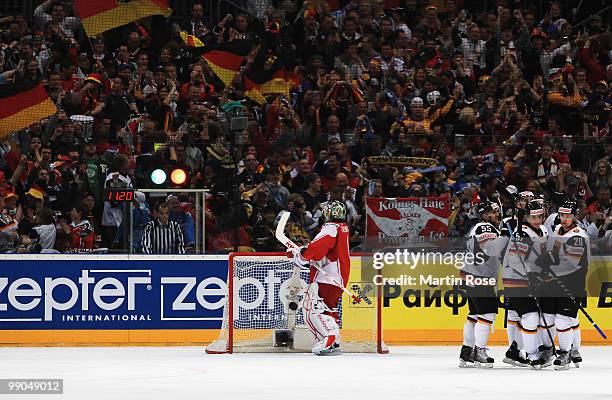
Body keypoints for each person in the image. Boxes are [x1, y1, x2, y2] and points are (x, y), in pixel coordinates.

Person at [290, 200, 350, 356]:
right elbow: (328, 253)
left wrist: (302, 257)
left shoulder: (331, 228)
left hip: (327, 278)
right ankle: (334, 341)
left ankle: (329, 339)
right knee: (327, 309)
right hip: (337, 277)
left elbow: (318, 249)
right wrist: (306, 252)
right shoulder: (343, 228)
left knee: (313, 309)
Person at [498, 200, 551, 368]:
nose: (537, 220)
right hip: (515, 279)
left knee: (526, 316)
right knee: (531, 316)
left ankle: (514, 351)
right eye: (533, 217)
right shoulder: (522, 233)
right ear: (527, 217)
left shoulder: (542, 230)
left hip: (530, 277)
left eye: (539, 217)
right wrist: (532, 274)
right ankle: (532, 354)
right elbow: (514, 261)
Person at [459, 201, 504, 368]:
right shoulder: (486, 228)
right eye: (494, 212)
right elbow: (491, 250)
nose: (498, 214)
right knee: (488, 313)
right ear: (485, 215)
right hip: (480, 276)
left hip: (471, 275)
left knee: (474, 315)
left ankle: (466, 351)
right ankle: (479, 351)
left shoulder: (477, 227)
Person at [546, 200, 590, 369]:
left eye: (568, 216)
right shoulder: (558, 229)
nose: (564, 219)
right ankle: (575, 349)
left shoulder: (578, 235)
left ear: (574, 216)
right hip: (560, 280)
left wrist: (549, 269)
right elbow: (553, 252)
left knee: (564, 319)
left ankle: (566, 353)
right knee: (571, 317)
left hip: (574, 282)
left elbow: (570, 264)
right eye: (562, 215)